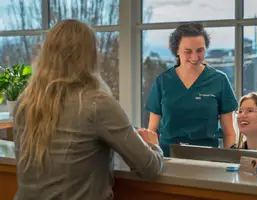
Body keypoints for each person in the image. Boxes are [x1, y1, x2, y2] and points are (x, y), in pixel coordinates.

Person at [13, 19, 164, 200]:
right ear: (90, 56)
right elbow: (149, 168)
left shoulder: (24, 102)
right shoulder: (97, 104)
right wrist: (153, 144)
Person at [145, 23, 238, 157]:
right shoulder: (163, 81)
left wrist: (230, 163)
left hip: (207, 159)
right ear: (176, 50)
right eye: (188, 51)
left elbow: (229, 132)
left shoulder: (219, 80)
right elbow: (152, 131)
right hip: (168, 158)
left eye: (200, 50)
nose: (195, 57)